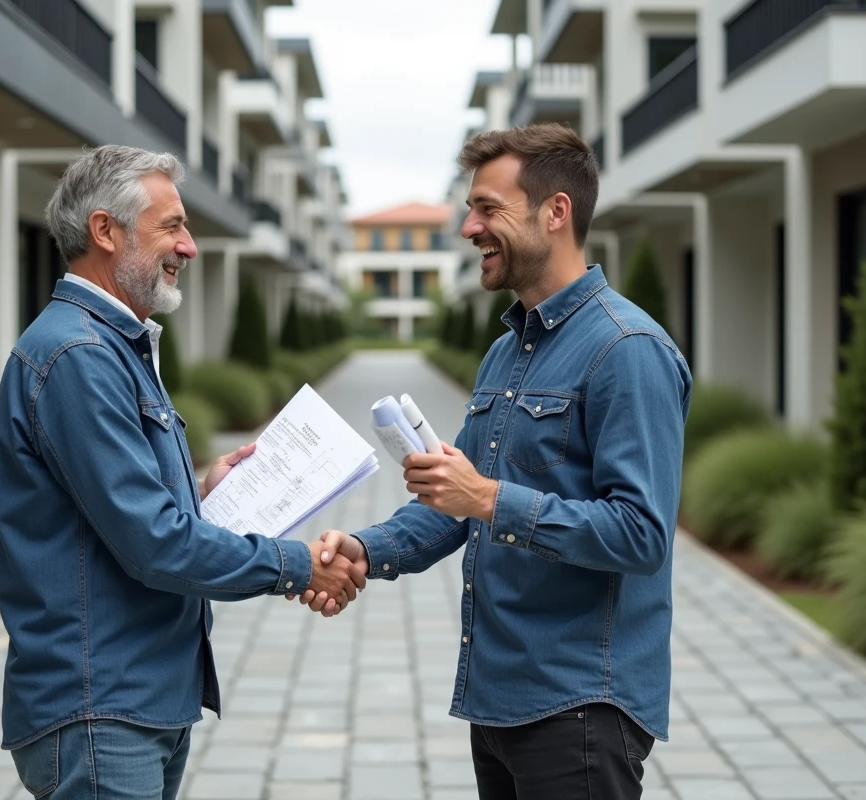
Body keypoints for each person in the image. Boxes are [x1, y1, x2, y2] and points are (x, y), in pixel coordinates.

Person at [296, 123, 692, 799]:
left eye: (487, 208)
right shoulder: (507, 351)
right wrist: (365, 550)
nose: (468, 228)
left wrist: (487, 498)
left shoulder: (627, 350)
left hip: (580, 709)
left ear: (555, 212)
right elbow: (456, 507)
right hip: (500, 700)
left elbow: (641, 534)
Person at [0, 144, 365, 800]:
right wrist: (300, 564)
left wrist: (196, 492)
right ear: (105, 231)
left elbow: (110, 511)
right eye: (172, 226)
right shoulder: (79, 355)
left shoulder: (113, 345)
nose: (188, 246)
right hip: (101, 706)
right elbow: (153, 543)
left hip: (138, 697)